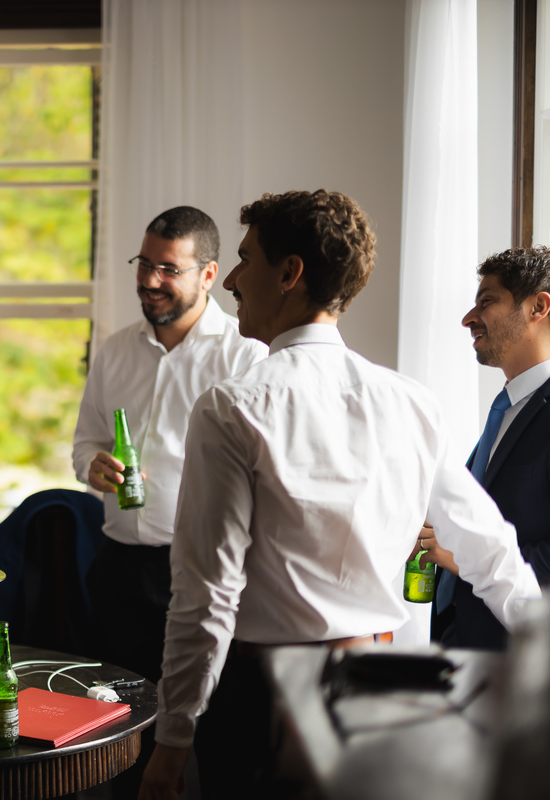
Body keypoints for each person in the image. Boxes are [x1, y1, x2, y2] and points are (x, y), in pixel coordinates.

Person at [138, 190, 541, 800]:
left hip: (264, 708)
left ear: (290, 273)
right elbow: (493, 554)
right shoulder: (409, 402)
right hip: (379, 694)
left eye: (246, 260)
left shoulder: (232, 408)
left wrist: (171, 741)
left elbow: (206, 595)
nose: (234, 282)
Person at [73, 205, 265, 686]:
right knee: (115, 711)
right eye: (144, 264)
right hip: (116, 565)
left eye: (169, 269)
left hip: (203, 569)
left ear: (209, 275)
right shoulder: (114, 351)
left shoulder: (246, 355)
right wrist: (91, 466)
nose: (150, 280)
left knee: (205, 713)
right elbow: (86, 442)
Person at [419, 247, 550, 649]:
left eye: (486, 301)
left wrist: (466, 557)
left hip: (516, 656)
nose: (468, 318)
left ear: (538, 307)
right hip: (459, 643)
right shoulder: (506, 412)